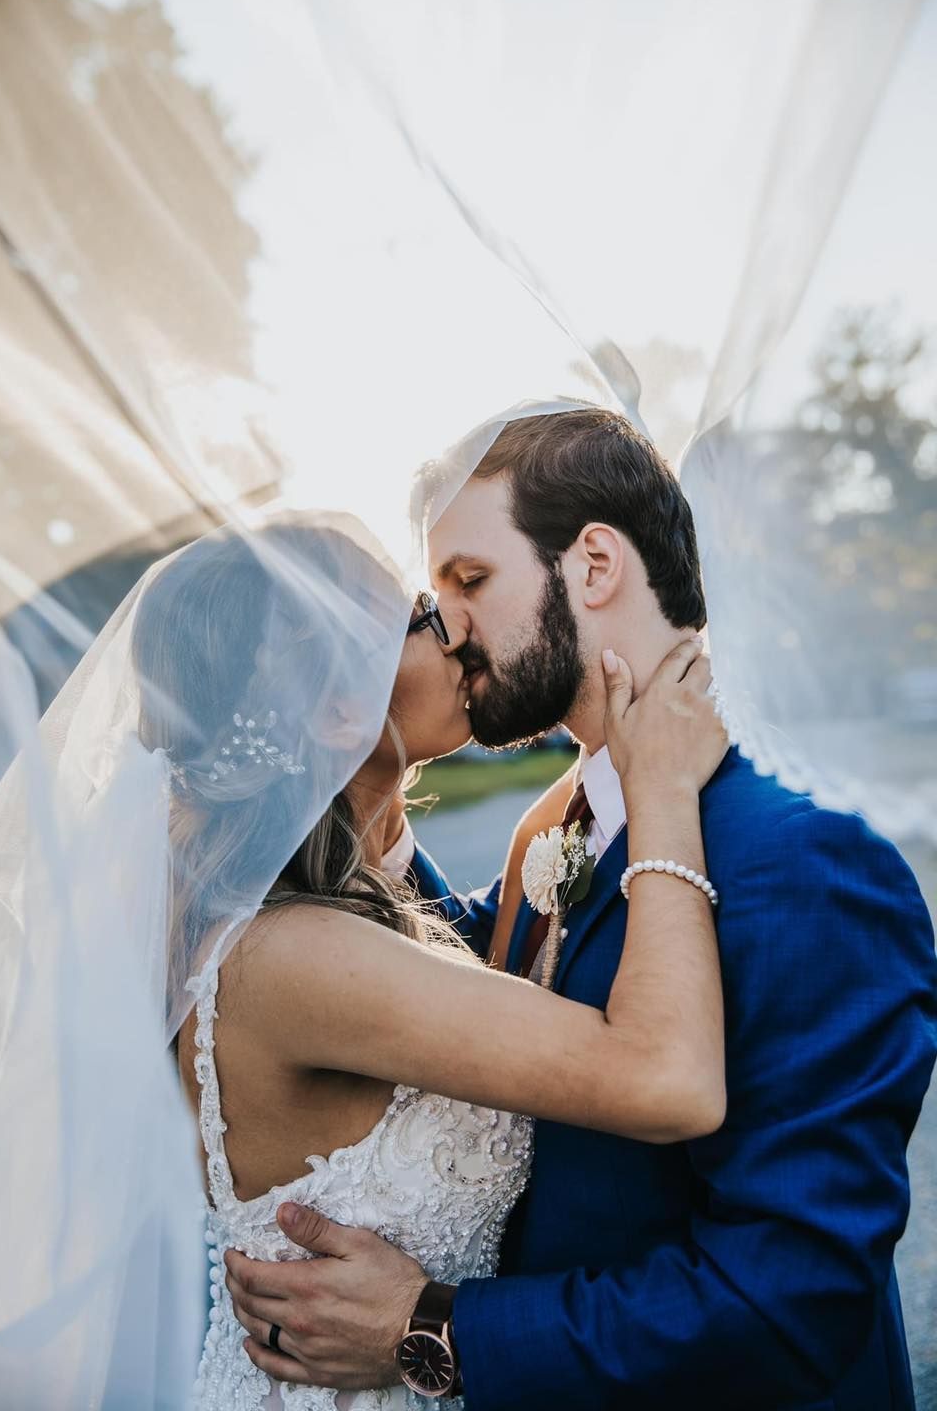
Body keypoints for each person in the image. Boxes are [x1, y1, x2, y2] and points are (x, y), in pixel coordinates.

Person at [229, 409, 937, 1411]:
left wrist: (431, 1327)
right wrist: (360, 788)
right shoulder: (550, 826)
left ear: (593, 563)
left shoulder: (809, 870)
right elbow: (452, 969)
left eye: (470, 582)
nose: (452, 628)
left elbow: (792, 1297)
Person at [131, 515, 728, 1410]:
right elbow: (669, 1080)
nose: (455, 625)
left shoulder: (297, 906)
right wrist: (663, 794)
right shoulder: (296, 958)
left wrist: (600, 759)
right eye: (420, 613)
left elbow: (445, 938)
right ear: (342, 706)